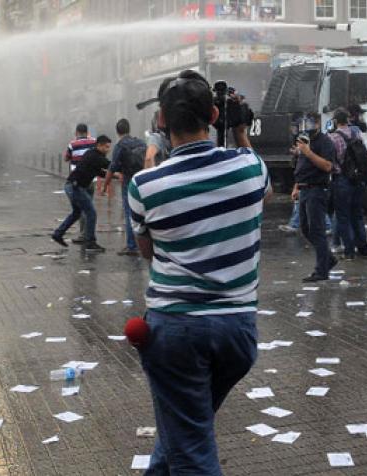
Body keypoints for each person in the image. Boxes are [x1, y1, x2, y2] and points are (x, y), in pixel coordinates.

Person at [126, 70, 271, 475]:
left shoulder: (145, 185)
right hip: (237, 334)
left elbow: (148, 252)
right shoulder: (251, 168)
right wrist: (239, 131)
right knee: (185, 424)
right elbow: (265, 196)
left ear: (160, 121)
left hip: (176, 332)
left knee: (190, 444)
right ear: (212, 113)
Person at [289, 112, 337, 281]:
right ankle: (328, 258)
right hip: (304, 189)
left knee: (317, 230)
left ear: (317, 123)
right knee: (305, 229)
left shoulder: (325, 142)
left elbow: (327, 166)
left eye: (310, 123)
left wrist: (308, 152)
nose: (306, 127)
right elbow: (302, 166)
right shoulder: (305, 141)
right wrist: (296, 186)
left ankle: (321, 271)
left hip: (317, 190)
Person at [52, 135, 111, 253]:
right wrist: (121, 171)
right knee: (91, 213)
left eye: (109, 147)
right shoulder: (96, 156)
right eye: (106, 147)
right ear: (99, 145)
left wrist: (114, 176)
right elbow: (111, 166)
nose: (108, 149)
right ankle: (90, 242)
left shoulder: (92, 154)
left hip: (71, 186)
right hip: (75, 187)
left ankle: (58, 234)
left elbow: (99, 172)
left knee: (77, 213)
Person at [101, 118, 147, 256]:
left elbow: (112, 168)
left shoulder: (120, 146)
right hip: (142, 180)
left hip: (129, 181)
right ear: (129, 129)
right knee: (143, 212)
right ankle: (144, 244)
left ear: (117, 131)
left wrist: (105, 186)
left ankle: (132, 246)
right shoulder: (141, 142)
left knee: (129, 213)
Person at [329, 108, 367, 260]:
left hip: (341, 179)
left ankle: (349, 251)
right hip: (357, 178)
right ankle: (364, 248)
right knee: (357, 214)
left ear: (335, 121)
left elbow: (332, 161)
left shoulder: (332, 137)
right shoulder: (356, 133)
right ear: (348, 119)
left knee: (343, 216)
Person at [65, 124, 98, 243]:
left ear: (77, 132)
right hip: (92, 179)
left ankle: (84, 234)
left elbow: (66, 158)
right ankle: (88, 234)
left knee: (83, 208)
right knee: (89, 208)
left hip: (78, 181)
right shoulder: (94, 142)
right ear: (87, 132)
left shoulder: (72, 144)